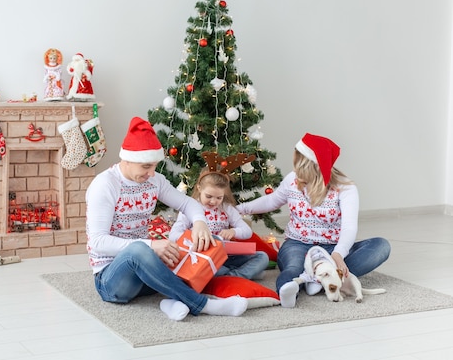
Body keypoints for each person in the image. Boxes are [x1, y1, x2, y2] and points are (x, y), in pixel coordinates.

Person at [85, 117, 248, 321]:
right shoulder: (105, 185)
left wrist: (199, 222)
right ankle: (204, 304)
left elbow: (189, 204)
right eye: (146, 166)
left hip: (147, 274)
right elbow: (98, 243)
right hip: (111, 281)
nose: (151, 173)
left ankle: (171, 301)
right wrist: (151, 246)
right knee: (139, 250)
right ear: (126, 159)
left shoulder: (155, 180)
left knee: (184, 246)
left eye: (154, 166)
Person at [236, 133, 391, 308]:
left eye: (299, 166)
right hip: (298, 244)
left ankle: (315, 277)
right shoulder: (291, 180)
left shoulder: (345, 188)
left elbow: (349, 227)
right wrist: (239, 210)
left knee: (381, 246)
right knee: (292, 268)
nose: (295, 171)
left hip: (332, 249)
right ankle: (292, 287)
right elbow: (272, 201)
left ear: (311, 168)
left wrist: (338, 253)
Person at [169, 168, 269, 280]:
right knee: (215, 239)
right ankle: (240, 275)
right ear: (199, 188)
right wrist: (196, 236)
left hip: (227, 256)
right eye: (209, 196)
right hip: (204, 258)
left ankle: (230, 277)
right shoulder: (190, 207)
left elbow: (247, 232)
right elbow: (173, 235)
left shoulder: (226, 208)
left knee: (262, 257)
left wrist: (233, 231)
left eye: (219, 198)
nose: (213, 202)